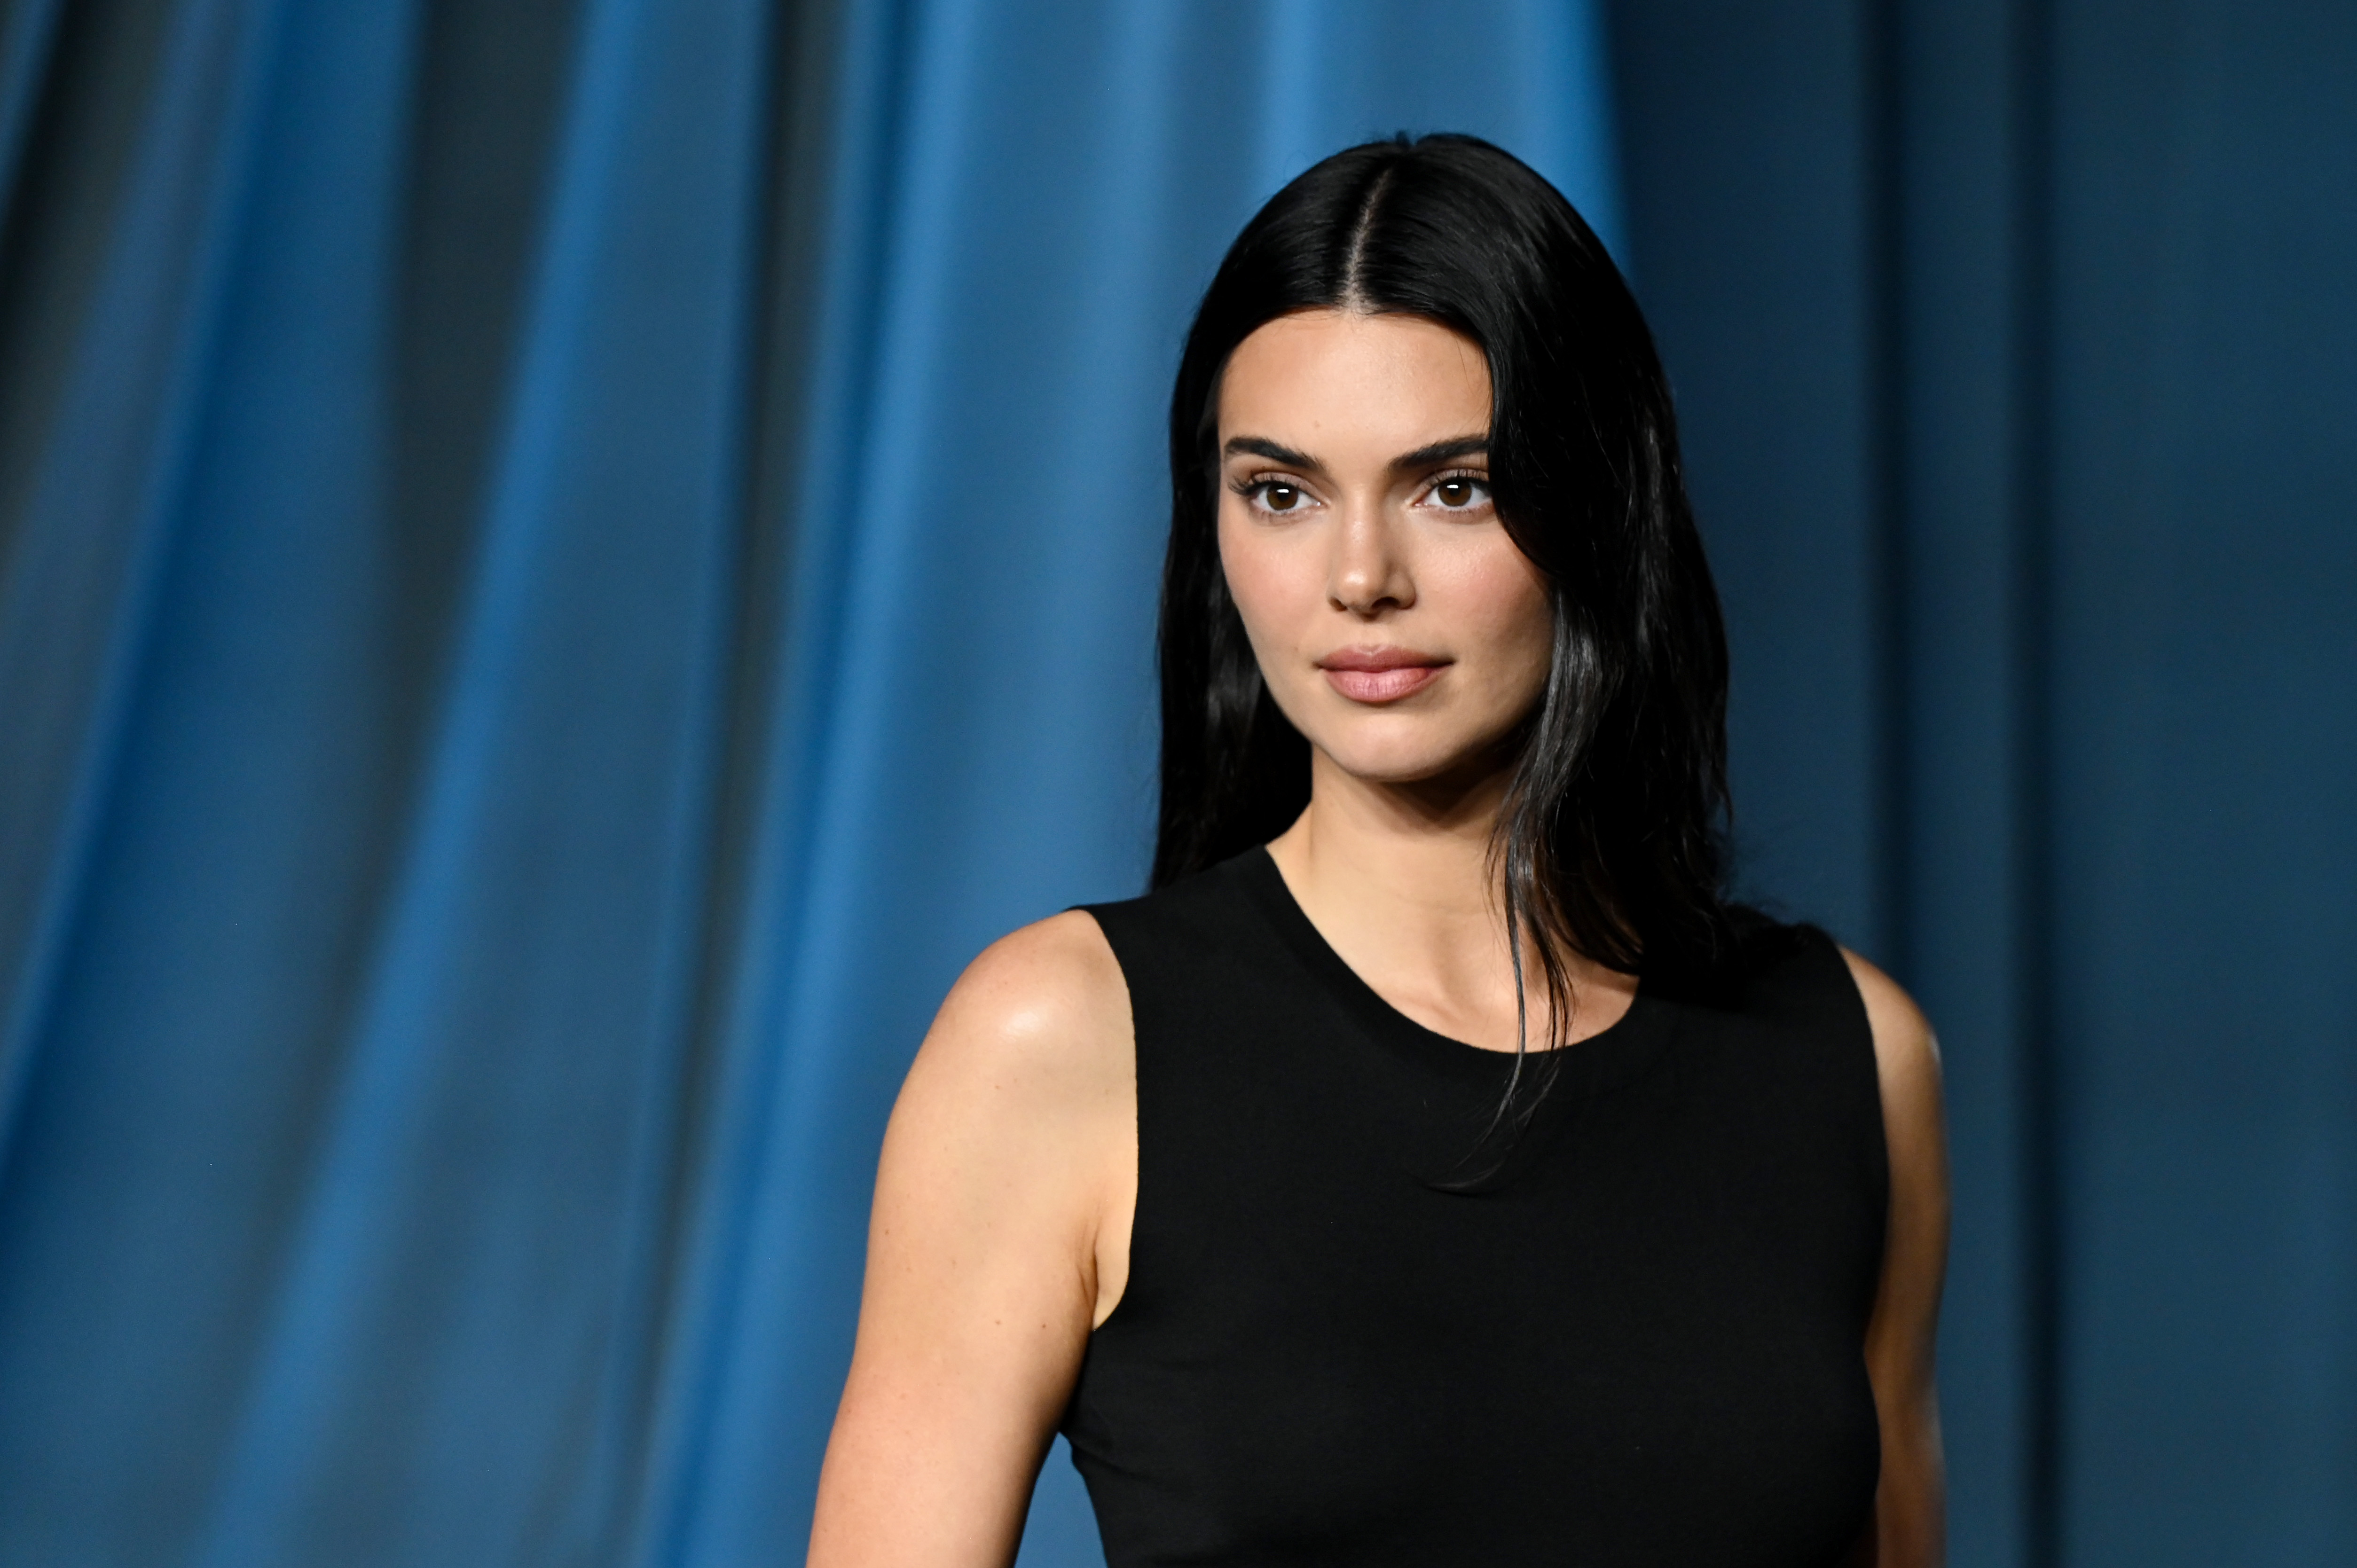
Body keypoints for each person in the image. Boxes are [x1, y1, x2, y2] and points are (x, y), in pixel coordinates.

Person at [808, 134, 1948, 1568]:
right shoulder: (1059, 1045)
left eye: (1453, 486)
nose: (1359, 579)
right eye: (1279, 491)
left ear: (1602, 502)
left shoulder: (1852, 1060)